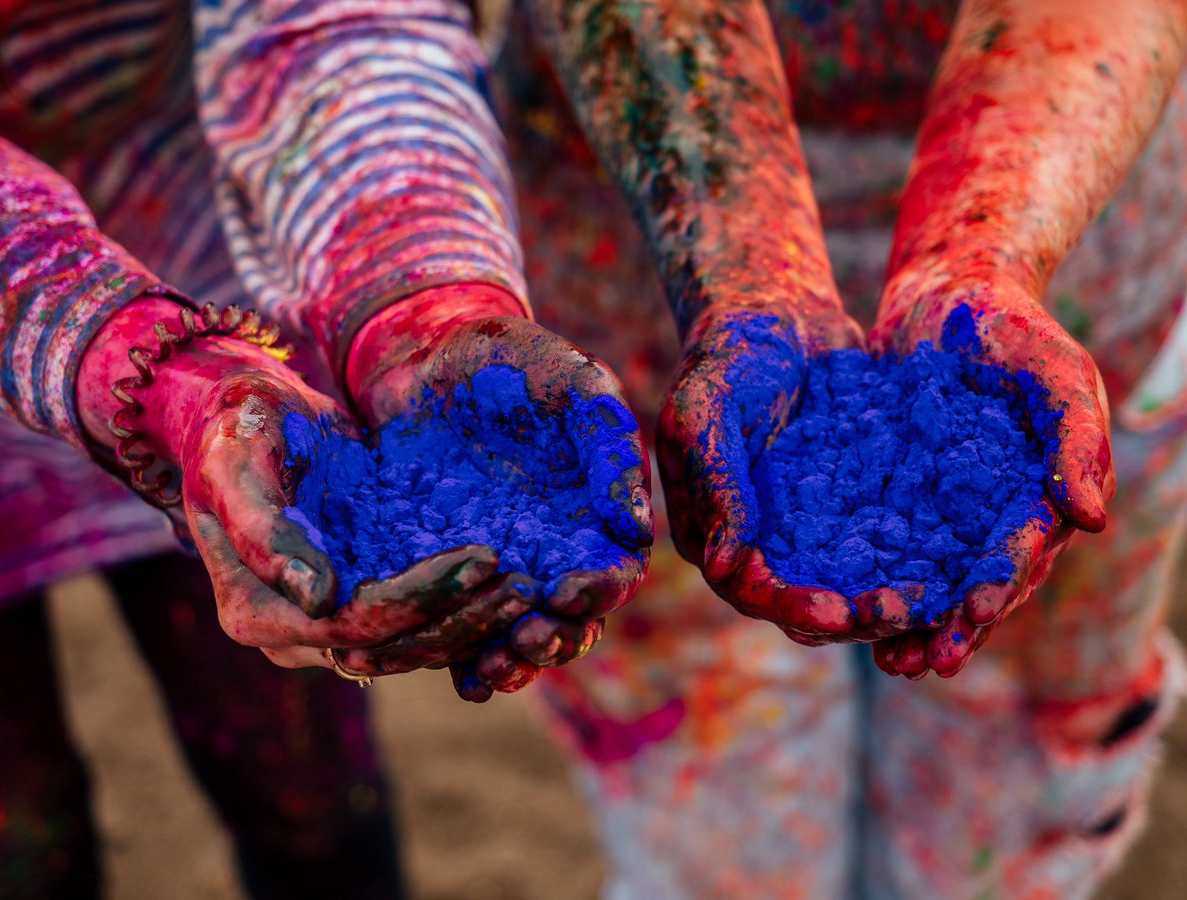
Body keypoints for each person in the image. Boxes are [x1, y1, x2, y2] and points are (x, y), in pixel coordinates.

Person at [493, 0, 1187, 895]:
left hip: (1067, 203)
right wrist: (745, 272)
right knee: (712, 789)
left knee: (1010, 765)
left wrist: (978, 258)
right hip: (644, 235)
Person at [0, 0, 648, 896]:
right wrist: (143, 371)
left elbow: (339, 22)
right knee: (17, 834)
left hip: (196, 252)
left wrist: (420, 301)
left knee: (296, 775)